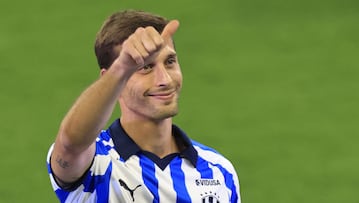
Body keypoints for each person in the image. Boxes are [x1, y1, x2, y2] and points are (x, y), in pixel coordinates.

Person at [46, 9, 241, 203]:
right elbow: (71, 143)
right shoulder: (97, 160)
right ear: (113, 81)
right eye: (145, 67)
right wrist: (123, 67)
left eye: (170, 61)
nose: (164, 80)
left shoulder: (219, 171)